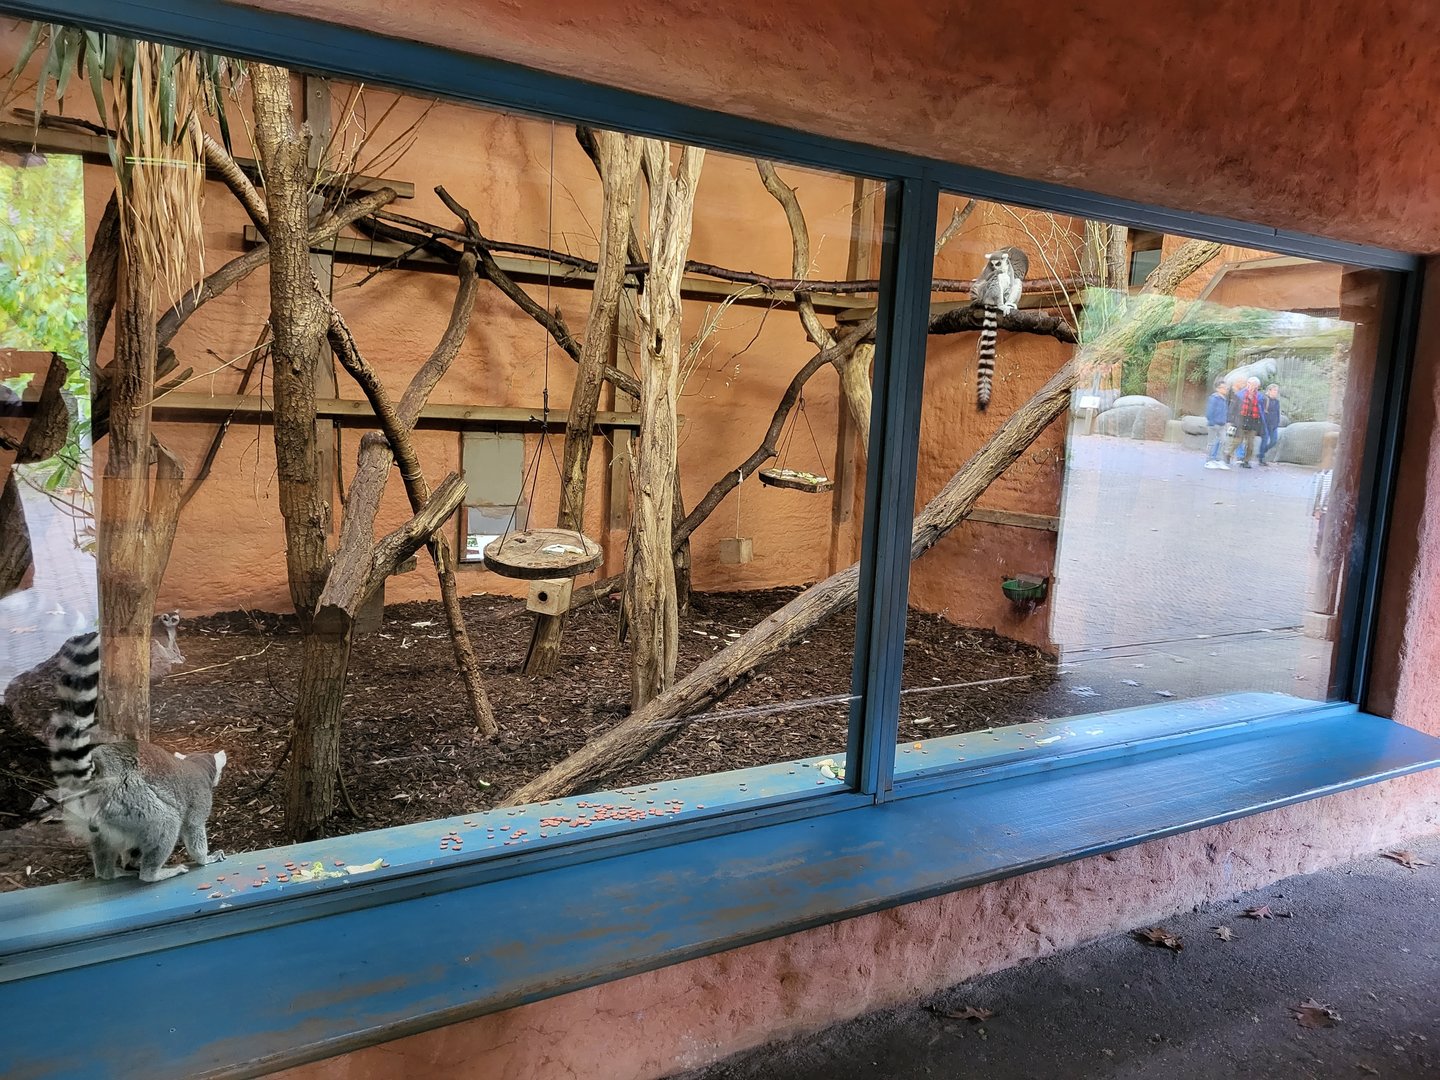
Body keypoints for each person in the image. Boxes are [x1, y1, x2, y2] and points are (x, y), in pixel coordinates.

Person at [1233, 376, 1263, 468]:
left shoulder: (1260, 397)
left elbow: (1261, 412)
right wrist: (1232, 421)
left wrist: (1260, 425)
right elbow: (1233, 409)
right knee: (1238, 441)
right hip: (1241, 421)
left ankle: (1246, 461)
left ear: (1257, 386)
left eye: (1253, 384)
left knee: (1250, 444)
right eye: (1249, 383)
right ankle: (1228, 454)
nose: (1250, 386)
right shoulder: (1240, 395)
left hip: (1253, 422)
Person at [1204, 377, 1229, 469]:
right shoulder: (1214, 398)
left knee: (1224, 441)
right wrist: (1211, 422)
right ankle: (1209, 460)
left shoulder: (1224, 399)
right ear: (1218, 388)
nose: (1225, 389)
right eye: (1223, 387)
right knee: (1211, 443)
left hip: (1222, 424)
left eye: (1226, 387)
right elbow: (1210, 411)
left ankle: (1220, 460)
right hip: (1214, 424)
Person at [1222, 377, 1247, 467]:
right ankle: (1227, 454)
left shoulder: (1242, 394)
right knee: (1233, 438)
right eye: (1242, 382)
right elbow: (1230, 407)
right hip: (1233, 420)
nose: (1244, 385)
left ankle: (1238, 456)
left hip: (1240, 420)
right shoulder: (1234, 394)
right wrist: (1229, 419)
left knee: (1239, 439)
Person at [1257, 382, 1282, 465]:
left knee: (1274, 441)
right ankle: (1261, 458)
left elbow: (1277, 412)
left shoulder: (1277, 401)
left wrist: (1277, 422)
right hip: (1265, 424)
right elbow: (1261, 412)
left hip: (1274, 424)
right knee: (1264, 440)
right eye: (1274, 390)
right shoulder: (1264, 399)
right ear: (1269, 391)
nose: (1276, 392)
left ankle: (1262, 452)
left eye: (1277, 391)